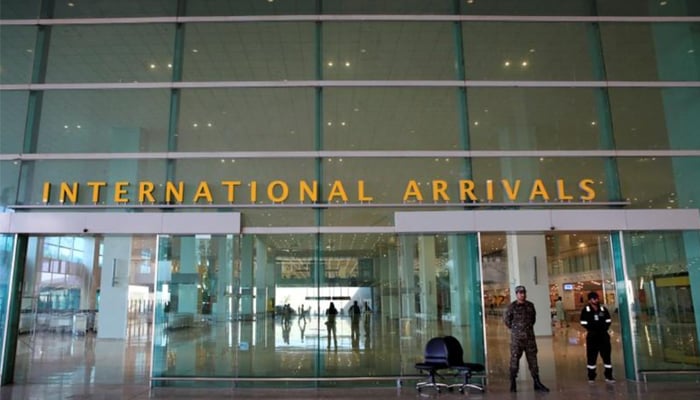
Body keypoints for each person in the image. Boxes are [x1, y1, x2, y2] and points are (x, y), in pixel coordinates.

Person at [503, 285, 550, 393]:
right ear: (516, 294)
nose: (522, 294)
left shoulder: (530, 306)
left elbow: (533, 319)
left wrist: (525, 329)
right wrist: (516, 329)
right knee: (514, 361)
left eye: (523, 292)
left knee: (533, 360)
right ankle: (513, 382)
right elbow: (507, 321)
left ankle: (537, 382)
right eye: (520, 293)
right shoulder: (512, 307)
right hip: (517, 340)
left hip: (529, 339)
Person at [580, 291, 615, 383]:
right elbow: (583, 322)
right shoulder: (586, 310)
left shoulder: (603, 309)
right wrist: (592, 327)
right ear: (589, 300)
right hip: (592, 336)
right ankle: (591, 376)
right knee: (591, 356)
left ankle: (609, 376)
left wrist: (603, 327)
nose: (595, 300)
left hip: (603, 336)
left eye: (596, 298)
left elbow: (608, 320)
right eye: (593, 298)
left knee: (606, 356)